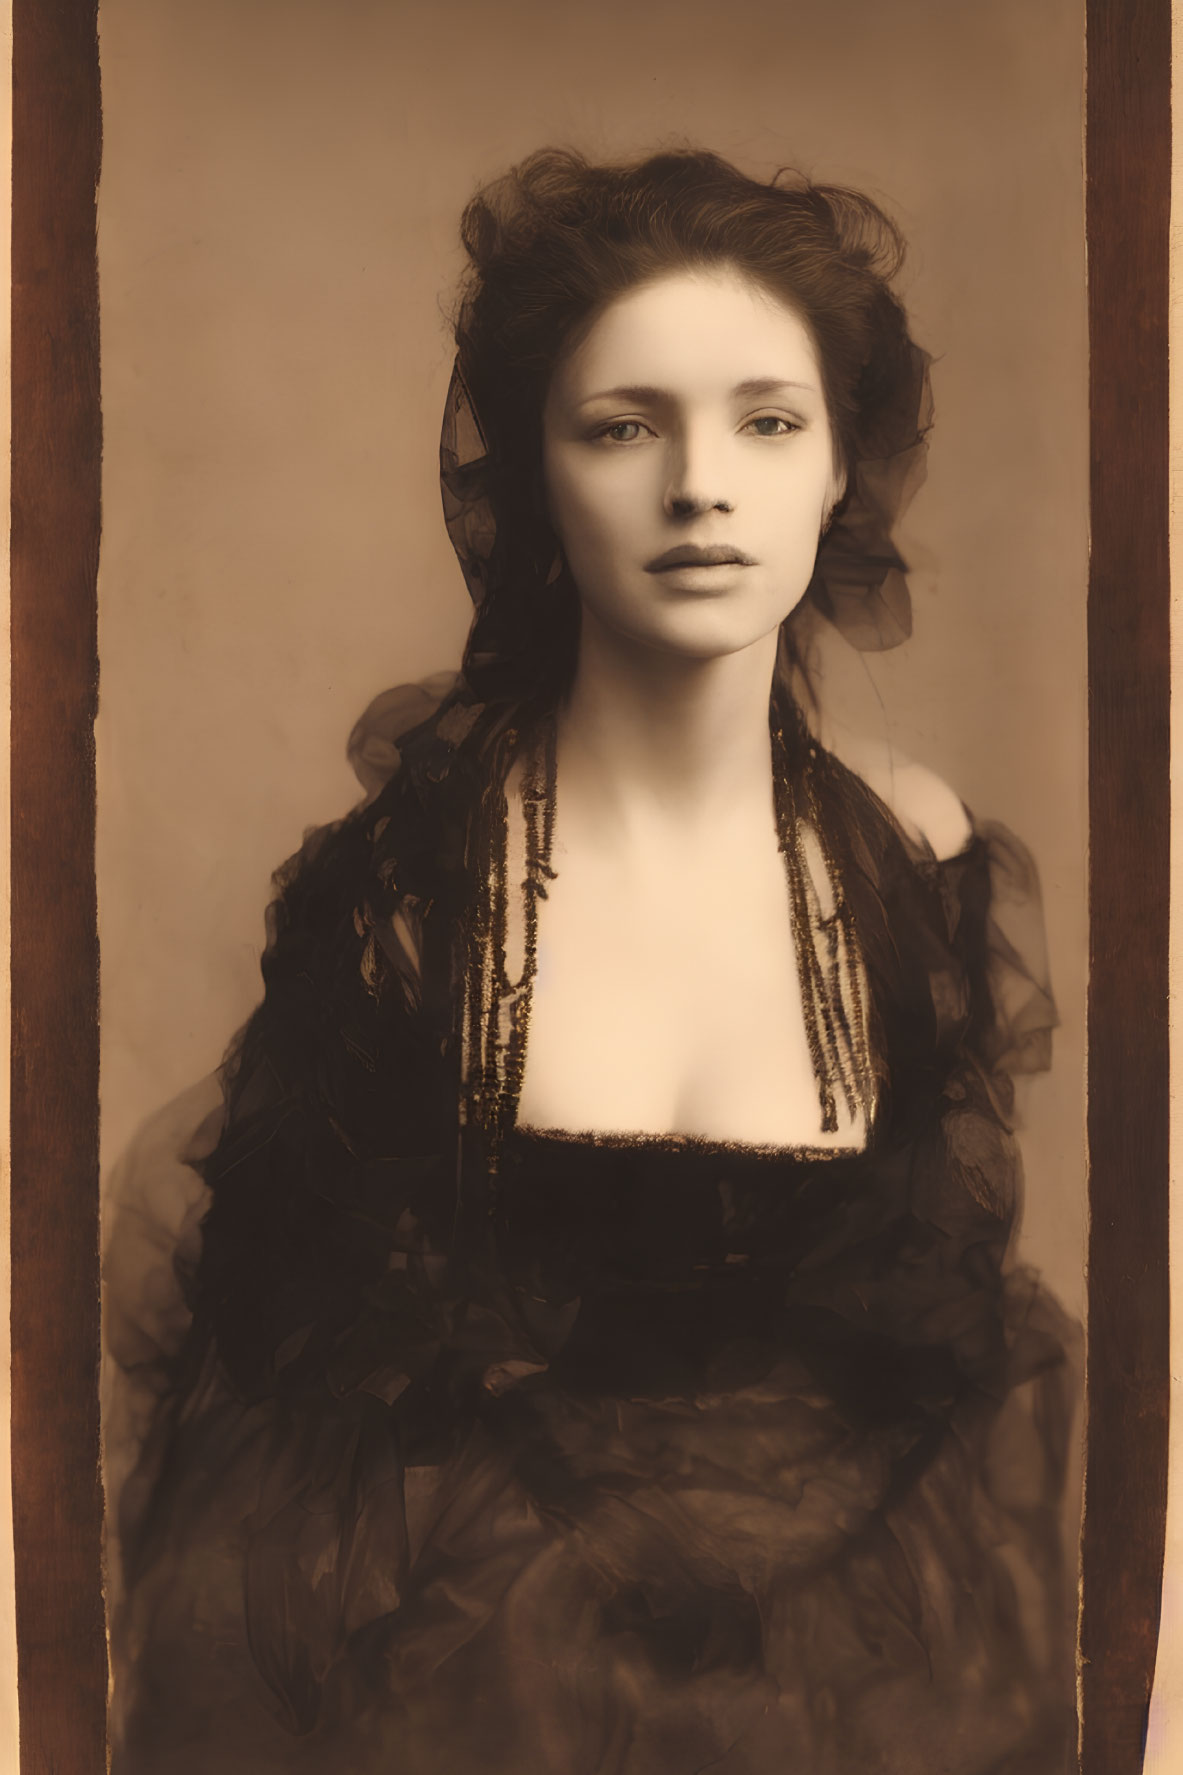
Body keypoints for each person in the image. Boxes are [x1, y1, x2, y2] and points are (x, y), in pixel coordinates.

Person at [104, 147, 1080, 1773]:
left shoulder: (917, 863)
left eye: (768, 422)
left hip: (877, 1674)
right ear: (536, 477)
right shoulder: (413, 891)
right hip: (470, 1670)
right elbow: (297, 1403)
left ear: (843, 468)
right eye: (624, 427)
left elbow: (933, 1328)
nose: (702, 485)